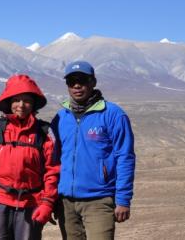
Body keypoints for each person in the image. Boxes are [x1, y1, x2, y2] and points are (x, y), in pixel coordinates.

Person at [52, 61, 136, 240]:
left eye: (82, 80)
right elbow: (52, 159)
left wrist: (123, 199)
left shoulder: (112, 114)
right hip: (65, 202)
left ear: (93, 82)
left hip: (99, 200)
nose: (76, 85)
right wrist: (51, 196)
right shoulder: (61, 117)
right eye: (71, 81)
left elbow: (125, 157)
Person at [0, 74, 60, 240]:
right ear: (9, 102)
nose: (21, 105)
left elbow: (52, 171)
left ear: (33, 103)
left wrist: (47, 203)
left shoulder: (44, 133)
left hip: (30, 205)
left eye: (26, 100)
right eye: (16, 100)